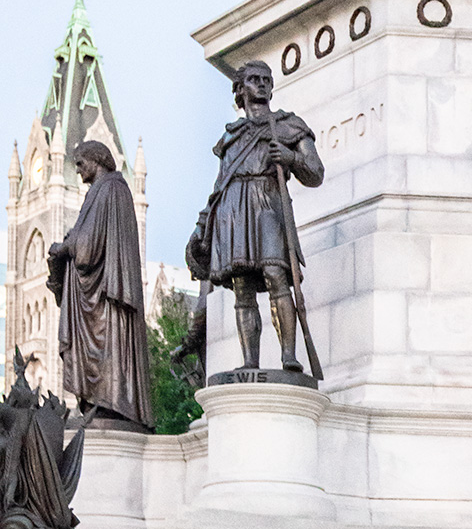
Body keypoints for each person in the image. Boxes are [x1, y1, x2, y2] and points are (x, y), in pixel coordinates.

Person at [186, 60, 323, 374]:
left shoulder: (289, 125)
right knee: (242, 286)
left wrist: (290, 158)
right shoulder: (232, 137)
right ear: (240, 90)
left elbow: (315, 173)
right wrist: (204, 221)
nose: (261, 84)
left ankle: (289, 355)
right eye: (253, 80)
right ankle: (250, 362)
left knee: (276, 275)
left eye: (266, 80)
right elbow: (220, 184)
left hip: (268, 204)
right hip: (232, 211)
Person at [48, 141, 153, 429]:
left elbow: (88, 247)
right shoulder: (104, 190)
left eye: (81, 163)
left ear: (96, 159)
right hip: (95, 292)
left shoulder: (109, 188)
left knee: (107, 347)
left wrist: (64, 246)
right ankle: (98, 403)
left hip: (106, 295)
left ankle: (111, 404)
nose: (78, 170)